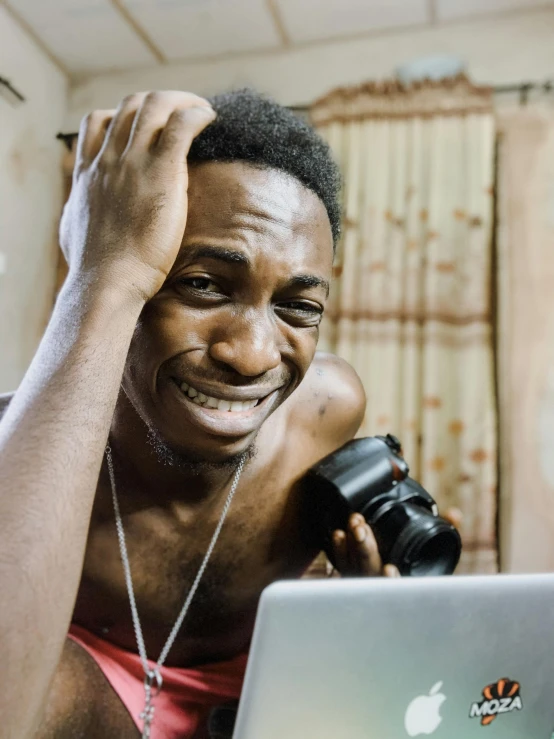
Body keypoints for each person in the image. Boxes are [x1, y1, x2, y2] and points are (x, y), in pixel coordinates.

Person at [0, 89, 404, 739]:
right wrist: (100, 275)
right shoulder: (17, 452)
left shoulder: (328, 409)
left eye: (297, 307)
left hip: (253, 702)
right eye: (202, 283)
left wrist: (350, 605)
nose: (250, 355)